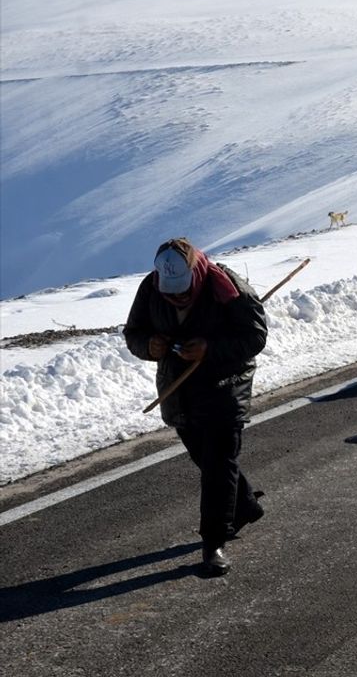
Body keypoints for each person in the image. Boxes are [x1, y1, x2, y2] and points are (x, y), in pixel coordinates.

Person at [124, 238, 269, 576]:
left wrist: (209, 348)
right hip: (179, 390)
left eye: (182, 289)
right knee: (206, 458)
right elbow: (133, 333)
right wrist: (150, 345)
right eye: (169, 291)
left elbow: (255, 337)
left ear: (196, 271)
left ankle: (214, 541)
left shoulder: (228, 286)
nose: (176, 297)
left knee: (219, 462)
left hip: (225, 385)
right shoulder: (150, 288)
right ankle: (244, 505)